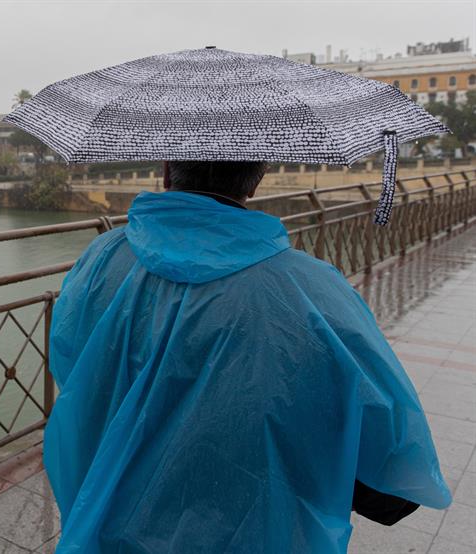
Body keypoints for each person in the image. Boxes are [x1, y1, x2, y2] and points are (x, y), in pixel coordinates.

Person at [45, 160, 451, 553]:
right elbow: (391, 485)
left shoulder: (102, 257)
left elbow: (73, 366)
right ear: (254, 181)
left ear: (167, 171)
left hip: (104, 522)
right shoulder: (312, 290)